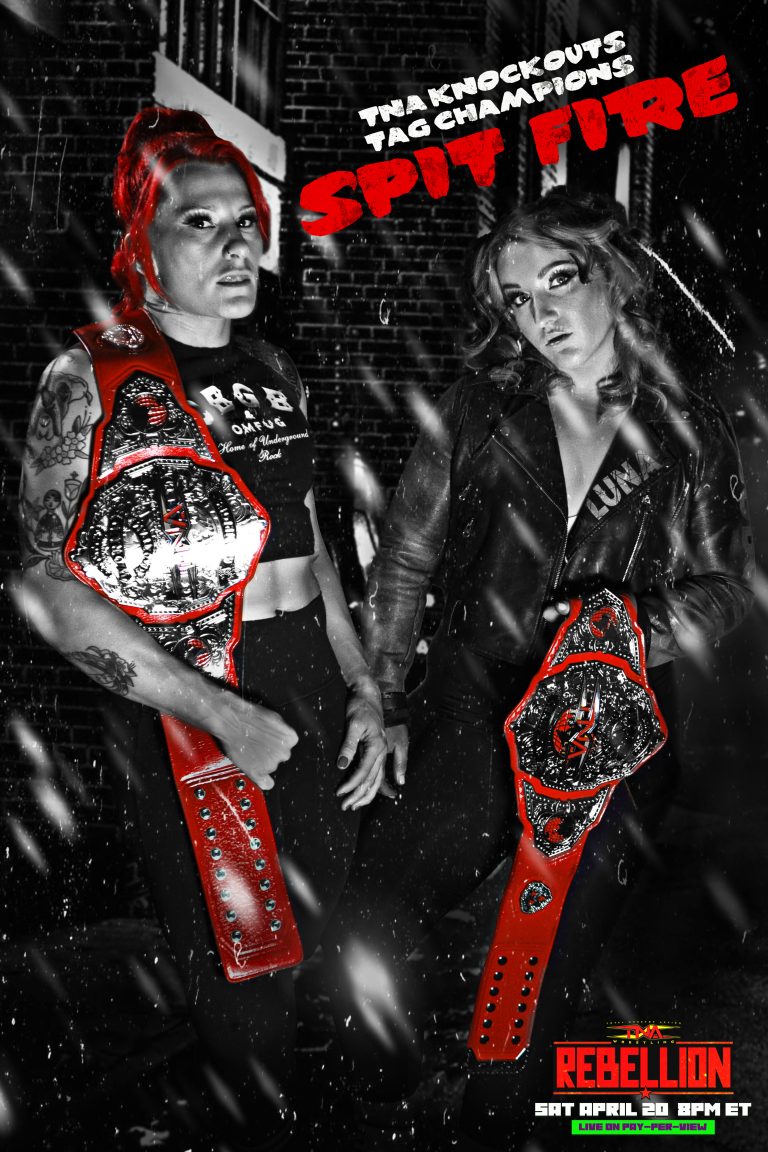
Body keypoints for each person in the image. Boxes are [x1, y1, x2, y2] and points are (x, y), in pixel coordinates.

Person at [324, 187, 754, 1150]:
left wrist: (634, 625)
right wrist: (382, 696)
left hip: (612, 722)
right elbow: (405, 561)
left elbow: (728, 589)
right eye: (517, 299)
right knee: (372, 919)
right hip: (475, 697)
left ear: (617, 279)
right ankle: (392, 1081)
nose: (540, 314)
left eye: (560, 281)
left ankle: (495, 1118)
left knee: (530, 984)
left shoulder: (687, 428)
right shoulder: (476, 409)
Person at [18, 106, 387, 1151]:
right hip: (195, 687)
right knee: (242, 964)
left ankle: (247, 1114)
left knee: (302, 948)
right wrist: (221, 713)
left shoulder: (275, 369)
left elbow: (311, 550)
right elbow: (47, 592)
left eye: (248, 223)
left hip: (311, 677)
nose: (237, 247)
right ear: (141, 244)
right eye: (201, 223)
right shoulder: (95, 375)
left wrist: (364, 686)